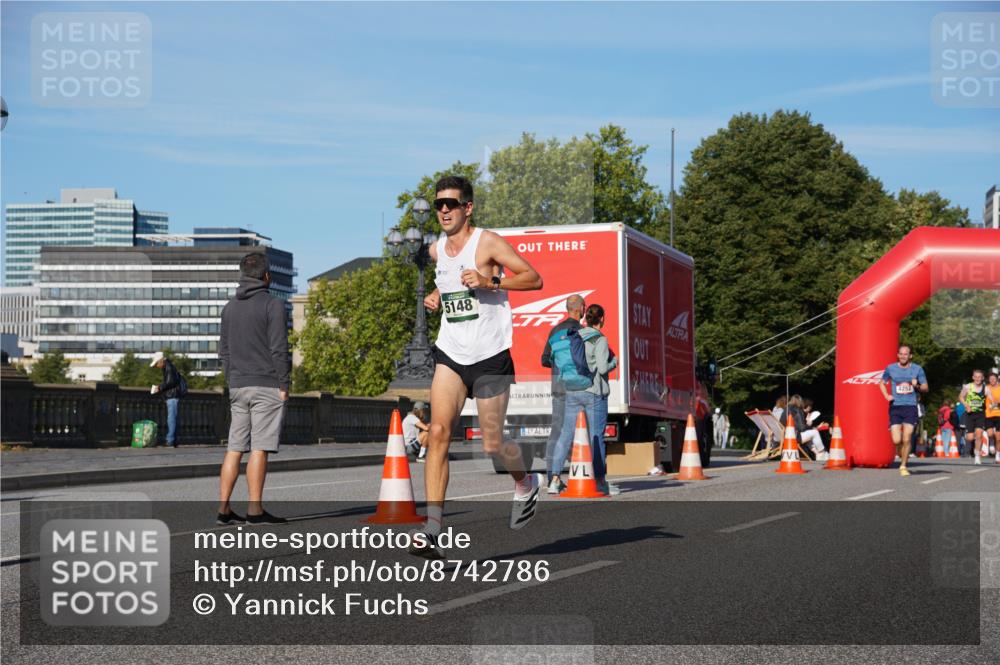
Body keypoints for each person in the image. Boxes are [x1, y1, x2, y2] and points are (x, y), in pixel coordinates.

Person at [411, 175, 543, 559]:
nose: (444, 210)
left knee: (492, 443)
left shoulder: (487, 242)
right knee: (438, 432)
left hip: (490, 355)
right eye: (439, 205)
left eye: (451, 204)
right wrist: (436, 295)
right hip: (451, 353)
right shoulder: (437, 250)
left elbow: (534, 278)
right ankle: (432, 529)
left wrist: (490, 280)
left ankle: (525, 480)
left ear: (467, 208)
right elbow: (450, 282)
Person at [216, 253, 291, 525]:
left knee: (234, 447)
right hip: (266, 385)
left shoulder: (229, 308)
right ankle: (255, 510)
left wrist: (232, 378)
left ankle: (223, 510)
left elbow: (224, 351)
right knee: (260, 447)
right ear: (266, 276)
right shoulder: (273, 304)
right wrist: (284, 383)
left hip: (238, 385)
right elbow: (279, 348)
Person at [541, 294, 586, 494]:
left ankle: (553, 477)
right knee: (583, 430)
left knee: (557, 431)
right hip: (579, 388)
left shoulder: (555, 331)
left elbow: (544, 359)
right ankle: (589, 475)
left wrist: (558, 363)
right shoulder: (582, 332)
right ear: (581, 309)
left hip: (559, 388)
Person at [579, 304, 618, 495]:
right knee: (597, 436)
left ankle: (574, 477)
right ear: (601, 319)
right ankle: (600, 481)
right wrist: (614, 362)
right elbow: (602, 368)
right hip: (596, 392)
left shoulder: (578, 336)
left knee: (581, 437)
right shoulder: (600, 339)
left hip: (578, 391)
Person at [879, 343, 929, 476]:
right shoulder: (891, 368)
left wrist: (917, 385)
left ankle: (903, 465)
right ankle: (901, 451)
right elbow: (882, 383)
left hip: (910, 407)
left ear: (910, 356)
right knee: (896, 440)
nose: (903, 356)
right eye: (901, 354)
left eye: (905, 354)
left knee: (907, 438)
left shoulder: (917, 369)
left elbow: (925, 388)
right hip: (895, 406)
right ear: (897, 355)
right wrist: (886, 396)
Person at [149, 351, 184, 448]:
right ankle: (174, 440)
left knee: (171, 419)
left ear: (161, 361)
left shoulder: (168, 367)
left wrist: (159, 387)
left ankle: (170, 440)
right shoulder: (169, 366)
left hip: (172, 396)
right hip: (174, 395)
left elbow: (170, 382)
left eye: (156, 364)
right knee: (174, 419)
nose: (156, 366)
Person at [959, 369, 988, 465]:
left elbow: (992, 400)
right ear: (973, 377)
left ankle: (977, 455)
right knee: (970, 438)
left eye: (979, 377)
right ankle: (968, 436)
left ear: (983, 378)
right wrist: (966, 405)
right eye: (976, 377)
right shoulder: (968, 387)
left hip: (980, 414)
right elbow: (960, 397)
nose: (977, 379)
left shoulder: (986, 388)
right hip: (969, 414)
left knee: (979, 435)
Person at [986, 372, 1000, 463]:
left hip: (999, 415)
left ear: (997, 379)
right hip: (989, 414)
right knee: (990, 434)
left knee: (998, 437)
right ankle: (991, 441)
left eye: (994, 379)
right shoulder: (986, 388)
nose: (992, 380)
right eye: (990, 379)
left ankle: (998, 455)